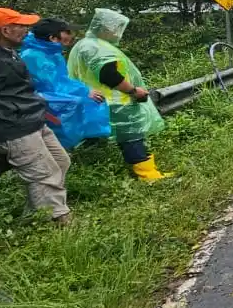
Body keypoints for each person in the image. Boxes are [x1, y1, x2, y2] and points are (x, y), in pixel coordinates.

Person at [0, 8, 72, 224]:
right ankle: (57, 222)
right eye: (21, 26)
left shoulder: (8, 52)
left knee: (61, 161)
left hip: (32, 120)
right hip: (14, 128)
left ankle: (35, 215)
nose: (26, 30)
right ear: (5, 30)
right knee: (44, 175)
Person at [69, 9, 171, 181]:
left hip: (97, 101)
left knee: (98, 139)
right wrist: (132, 90)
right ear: (104, 28)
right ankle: (147, 175)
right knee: (131, 136)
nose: (117, 33)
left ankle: (94, 176)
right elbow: (107, 74)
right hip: (114, 101)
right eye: (115, 28)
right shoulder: (95, 47)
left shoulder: (85, 44)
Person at [19, 19, 111, 150]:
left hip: (54, 90)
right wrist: (83, 92)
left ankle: (89, 139)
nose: (70, 35)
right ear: (53, 38)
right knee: (76, 102)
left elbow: (62, 79)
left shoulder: (51, 52)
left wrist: (85, 90)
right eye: (66, 32)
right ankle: (66, 143)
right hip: (39, 95)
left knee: (96, 98)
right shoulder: (33, 55)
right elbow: (50, 85)